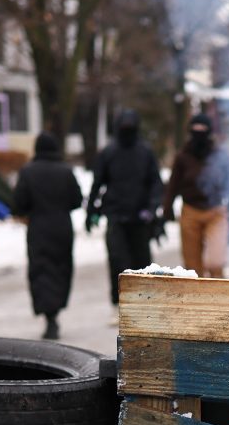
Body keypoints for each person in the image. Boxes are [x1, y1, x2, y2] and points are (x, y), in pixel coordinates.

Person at [89, 108, 165, 323]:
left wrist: (151, 209)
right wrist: (91, 211)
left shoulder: (145, 152)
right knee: (117, 261)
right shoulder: (109, 152)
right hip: (115, 217)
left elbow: (156, 184)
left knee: (142, 263)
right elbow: (97, 183)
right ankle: (118, 305)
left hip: (140, 219)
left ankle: (144, 305)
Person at [12, 131, 84, 340]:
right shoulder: (66, 171)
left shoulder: (27, 172)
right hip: (62, 227)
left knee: (41, 270)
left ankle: (49, 317)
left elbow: (18, 204)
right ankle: (56, 309)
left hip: (39, 229)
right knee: (61, 269)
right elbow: (77, 200)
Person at [162, 112, 229, 278]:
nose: (199, 133)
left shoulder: (220, 155)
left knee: (215, 262)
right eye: (195, 129)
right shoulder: (182, 157)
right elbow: (173, 185)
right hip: (190, 212)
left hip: (216, 212)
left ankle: (220, 300)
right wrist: (167, 209)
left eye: (203, 129)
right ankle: (198, 301)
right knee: (192, 268)